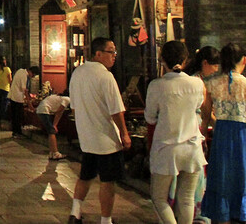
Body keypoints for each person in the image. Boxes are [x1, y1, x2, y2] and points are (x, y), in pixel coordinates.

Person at [68, 37, 131, 224]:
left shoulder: (77, 73)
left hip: (87, 138)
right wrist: (125, 134)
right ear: (98, 53)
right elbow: (116, 111)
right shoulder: (105, 76)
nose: (114, 56)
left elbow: (73, 107)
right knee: (107, 181)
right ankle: (106, 220)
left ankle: (75, 213)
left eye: (115, 52)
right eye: (111, 52)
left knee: (85, 176)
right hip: (106, 140)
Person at [144, 40, 207, 224]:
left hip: (167, 148)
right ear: (185, 60)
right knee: (187, 199)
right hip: (193, 147)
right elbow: (197, 107)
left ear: (162, 60)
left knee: (159, 198)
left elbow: (150, 117)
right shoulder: (196, 84)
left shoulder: (156, 85)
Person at [201, 43, 246, 224]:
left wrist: (204, 135)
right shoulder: (244, 83)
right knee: (242, 174)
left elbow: (205, 114)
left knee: (221, 175)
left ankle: (222, 215)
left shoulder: (211, 82)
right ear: (243, 60)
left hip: (221, 134)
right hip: (242, 134)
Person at [36, 92, 70, 160]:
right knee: (51, 132)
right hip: (44, 110)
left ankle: (51, 152)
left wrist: (55, 125)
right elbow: (59, 111)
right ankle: (55, 153)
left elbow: (59, 113)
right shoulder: (67, 99)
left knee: (51, 131)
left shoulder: (57, 97)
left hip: (40, 110)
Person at [8, 65, 39, 137]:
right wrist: (29, 103)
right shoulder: (24, 76)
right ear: (31, 72)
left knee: (15, 116)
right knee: (18, 116)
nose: (32, 77)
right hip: (17, 98)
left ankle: (15, 132)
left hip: (13, 96)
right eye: (33, 75)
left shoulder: (20, 71)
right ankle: (17, 132)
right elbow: (24, 90)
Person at [0, 56, 13, 129]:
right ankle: (2, 122)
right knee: (4, 107)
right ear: (4, 61)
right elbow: (10, 80)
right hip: (5, 90)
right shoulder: (7, 69)